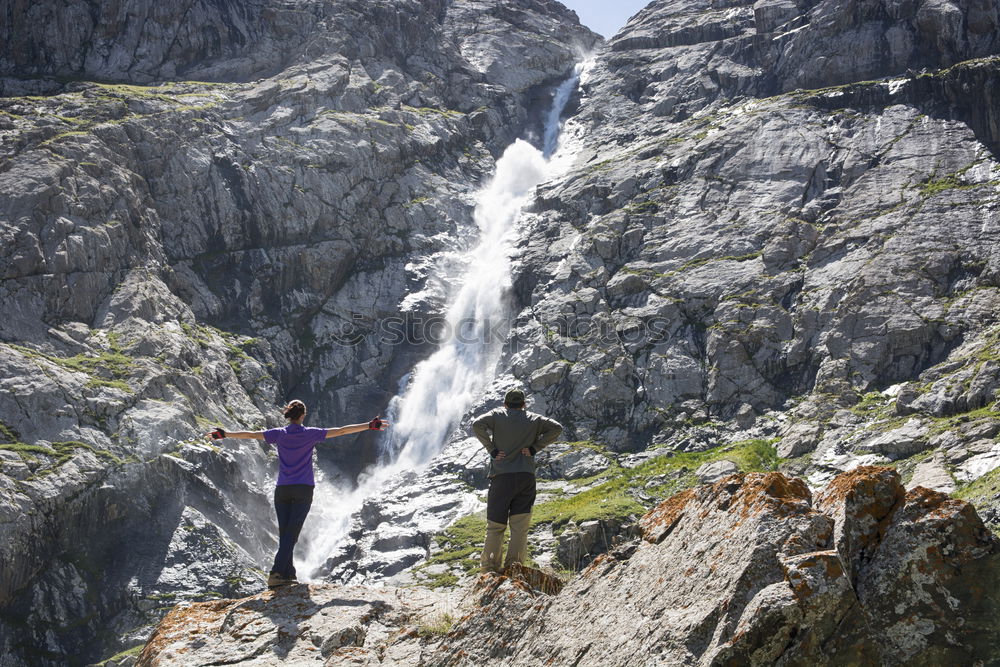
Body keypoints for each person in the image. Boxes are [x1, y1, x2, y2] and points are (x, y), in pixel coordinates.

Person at [207, 400, 388, 588]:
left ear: (289, 415)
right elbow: (341, 430)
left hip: (282, 489)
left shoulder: (279, 434)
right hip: (303, 488)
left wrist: (225, 434)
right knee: (291, 535)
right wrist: (368, 425)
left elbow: (251, 434)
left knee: (286, 533)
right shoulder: (310, 434)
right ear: (303, 415)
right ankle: (276, 572)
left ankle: (288, 573)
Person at [471, 388, 562, 573]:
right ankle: (515, 568)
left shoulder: (497, 415)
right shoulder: (534, 419)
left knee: (495, 526)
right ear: (524, 404)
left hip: (501, 477)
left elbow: (476, 424)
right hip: (525, 477)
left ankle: (489, 569)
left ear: (505, 404)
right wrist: (535, 448)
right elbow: (557, 428)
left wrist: (491, 449)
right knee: (520, 526)